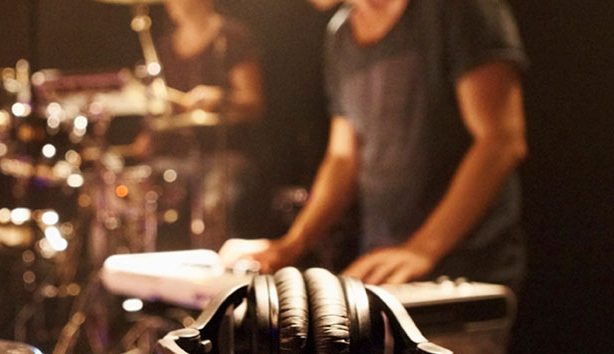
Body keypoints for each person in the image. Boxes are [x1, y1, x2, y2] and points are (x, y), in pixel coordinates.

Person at [220, 0, 528, 291]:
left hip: (465, 273)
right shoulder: (340, 35)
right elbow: (343, 158)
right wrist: (289, 246)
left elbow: (500, 142)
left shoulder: (455, 8)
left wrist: (422, 249)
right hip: (382, 269)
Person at [144, 0, 268, 248]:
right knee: (146, 195)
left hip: (226, 155)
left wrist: (218, 97)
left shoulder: (232, 37)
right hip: (177, 156)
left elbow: (254, 103)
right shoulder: (164, 47)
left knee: (212, 206)